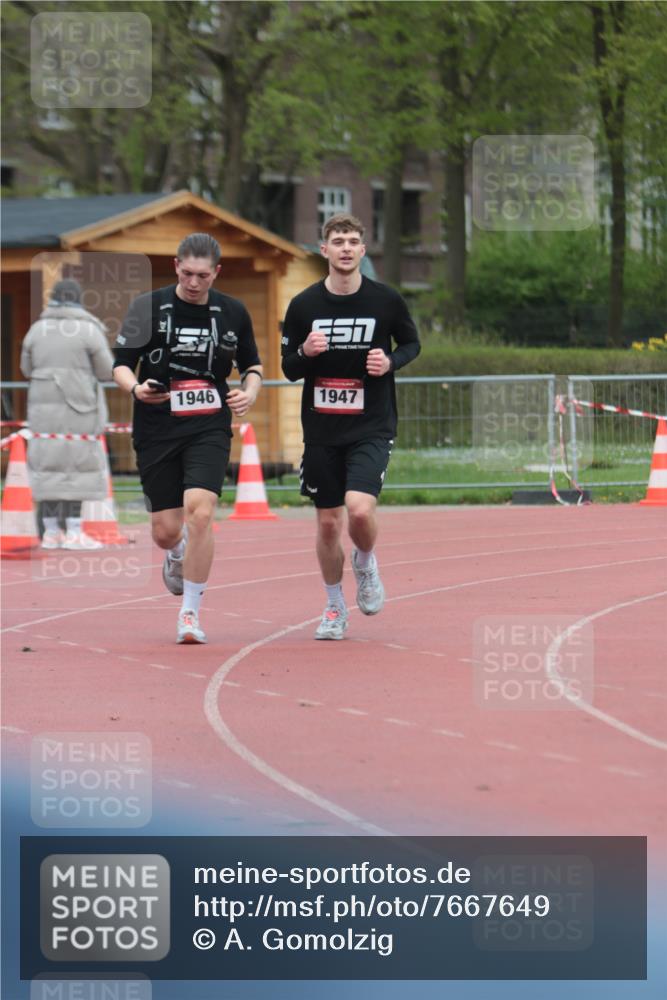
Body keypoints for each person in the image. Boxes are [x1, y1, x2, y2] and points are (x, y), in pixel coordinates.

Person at [113, 233, 263, 644]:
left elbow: (253, 366)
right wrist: (136, 389)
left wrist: (248, 393)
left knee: (200, 510)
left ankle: (190, 614)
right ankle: (175, 554)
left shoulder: (233, 311)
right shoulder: (148, 307)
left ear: (216, 273)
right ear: (176, 267)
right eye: (188, 273)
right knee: (165, 530)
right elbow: (121, 364)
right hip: (157, 425)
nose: (195, 282)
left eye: (203, 276)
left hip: (208, 423)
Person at [281, 213, 420, 640]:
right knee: (327, 524)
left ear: (363, 250)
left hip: (371, 424)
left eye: (353, 241)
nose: (345, 247)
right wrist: (304, 350)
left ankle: (365, 561)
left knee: (359, 509)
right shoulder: (304, 305)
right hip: (322, 429)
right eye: (337, 240)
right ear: (323, 250)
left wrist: (391, 361)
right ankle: (334, 607)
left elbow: (411, 342)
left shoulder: (386, 300)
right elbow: (289, 368)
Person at [20, 278, 114, 550]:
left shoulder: (37, 330)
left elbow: (26, 368)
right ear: (79, 299)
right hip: (79, 408)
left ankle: (50, 532)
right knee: (77, 467)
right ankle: (74, 531)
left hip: (42, 409)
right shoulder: (89, 330)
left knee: (48, 465)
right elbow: (106, 370)